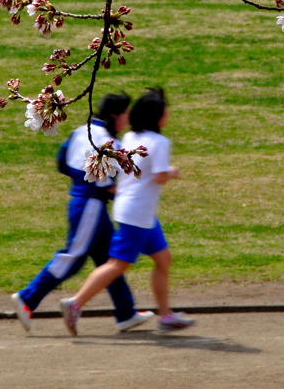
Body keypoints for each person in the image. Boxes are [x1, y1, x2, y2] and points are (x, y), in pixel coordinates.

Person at [11, 93, 154, 334]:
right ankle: (27, 298)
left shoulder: (82, 130)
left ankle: (125, 312)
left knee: (110, 259)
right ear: (114, 115)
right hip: (90, 205)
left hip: (84, 202)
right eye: (125, 115)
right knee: (73, 257)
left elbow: (61, 162)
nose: (127, 121)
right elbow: (107, 183)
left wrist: (81, 182)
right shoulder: (110, 142)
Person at [60, 88, 195, 336]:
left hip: (134, 210)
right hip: (138, 214)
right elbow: (160, 176)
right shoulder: (161, 142)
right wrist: (173, 171)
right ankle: (75, 303)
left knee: (163, 259)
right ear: (157, 116)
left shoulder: (131, 136)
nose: (168, 113)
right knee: (116, 265)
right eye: (166, 109)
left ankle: (165, 315)